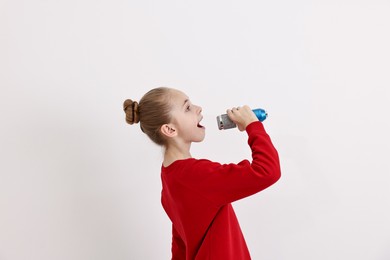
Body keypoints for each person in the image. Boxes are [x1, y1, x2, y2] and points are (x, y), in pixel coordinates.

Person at [123, 87, 281, 260]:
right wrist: (253, 126)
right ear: (169, 130)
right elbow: (267, 171)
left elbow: (181, 245)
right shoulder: (196, 175)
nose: (198, 108)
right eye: (187, 108)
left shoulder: (170, 176)